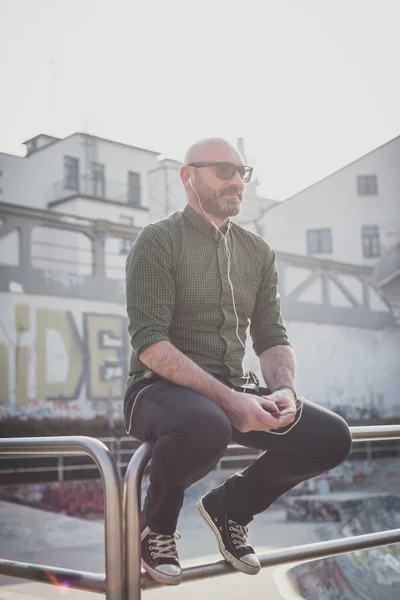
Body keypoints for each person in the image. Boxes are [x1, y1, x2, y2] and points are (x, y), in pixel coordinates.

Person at [123, 138, 352, 585]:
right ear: (189, 177)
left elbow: (272, 336)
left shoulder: (258, 253)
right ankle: (156, 526)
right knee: (208, 423)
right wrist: (231, 401)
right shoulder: (157, 241)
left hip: (232, 387)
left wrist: (283, 390)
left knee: (331, 437)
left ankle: (230, 507)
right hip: (155, 390)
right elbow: (150, 343)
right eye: (224, 171)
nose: (237, 182)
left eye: (242, 173)